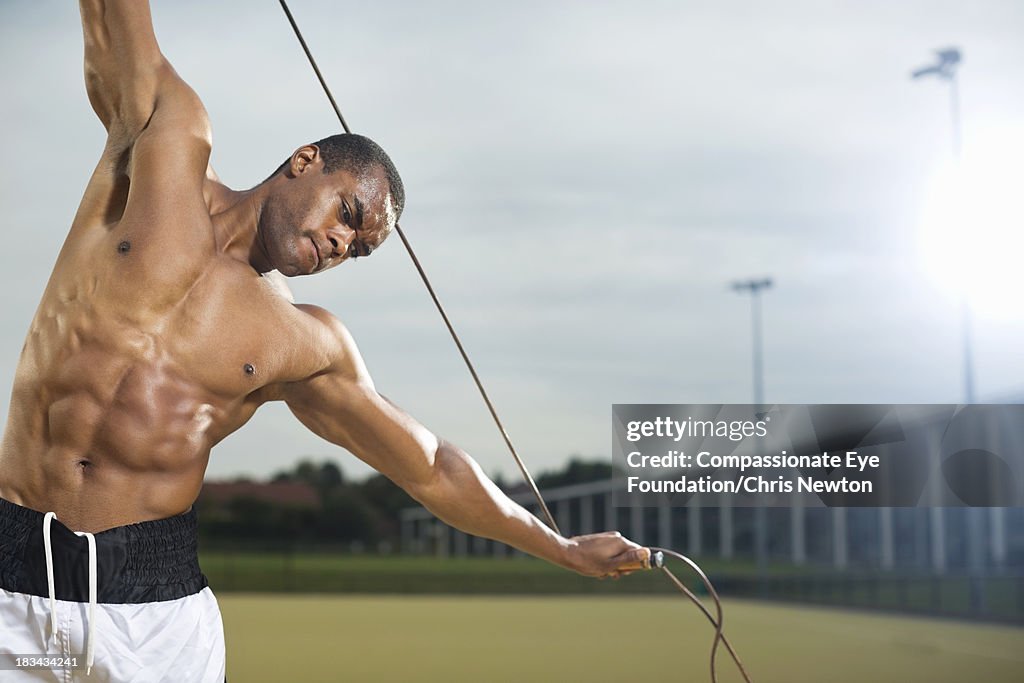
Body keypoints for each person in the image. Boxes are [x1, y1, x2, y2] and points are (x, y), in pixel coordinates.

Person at [0, 2, 645, 681]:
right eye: (348, 213)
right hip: (12, 578)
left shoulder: (302, 342)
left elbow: (431, 467)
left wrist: (561, 545)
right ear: (306, 160)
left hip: (151, 618)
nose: (341, 243)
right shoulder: (163, 143)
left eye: (357, 249)